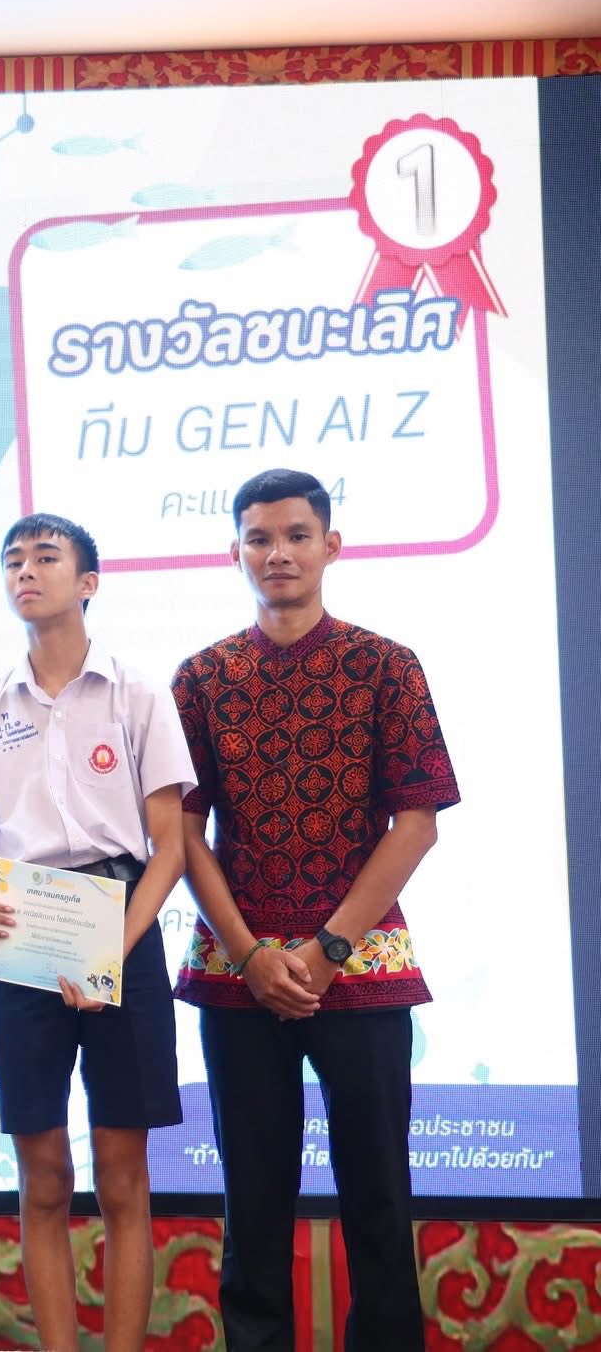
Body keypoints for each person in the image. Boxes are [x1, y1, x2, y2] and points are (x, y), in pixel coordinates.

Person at [173, 469, 459, 1352]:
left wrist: (328, 949)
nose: (279, 553)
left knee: (380, 1200)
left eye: (296, 535)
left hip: (362, 970)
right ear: (235, 552)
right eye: (260, 538)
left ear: (331, 545)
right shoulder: (202, 678)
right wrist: (251, 953)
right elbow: (182, 831)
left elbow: (417, 824)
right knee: (253, 1204)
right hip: (240, 978)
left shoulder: (386, 665)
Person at [0, 514, 194, 1352]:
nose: (26, 571)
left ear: (88, 582)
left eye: (46, 558)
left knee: (122, 1175)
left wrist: (111, 950)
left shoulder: (136, 694)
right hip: (22, 933)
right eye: (13, 560)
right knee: (43, 1172)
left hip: (120, 923)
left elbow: (171, 848)